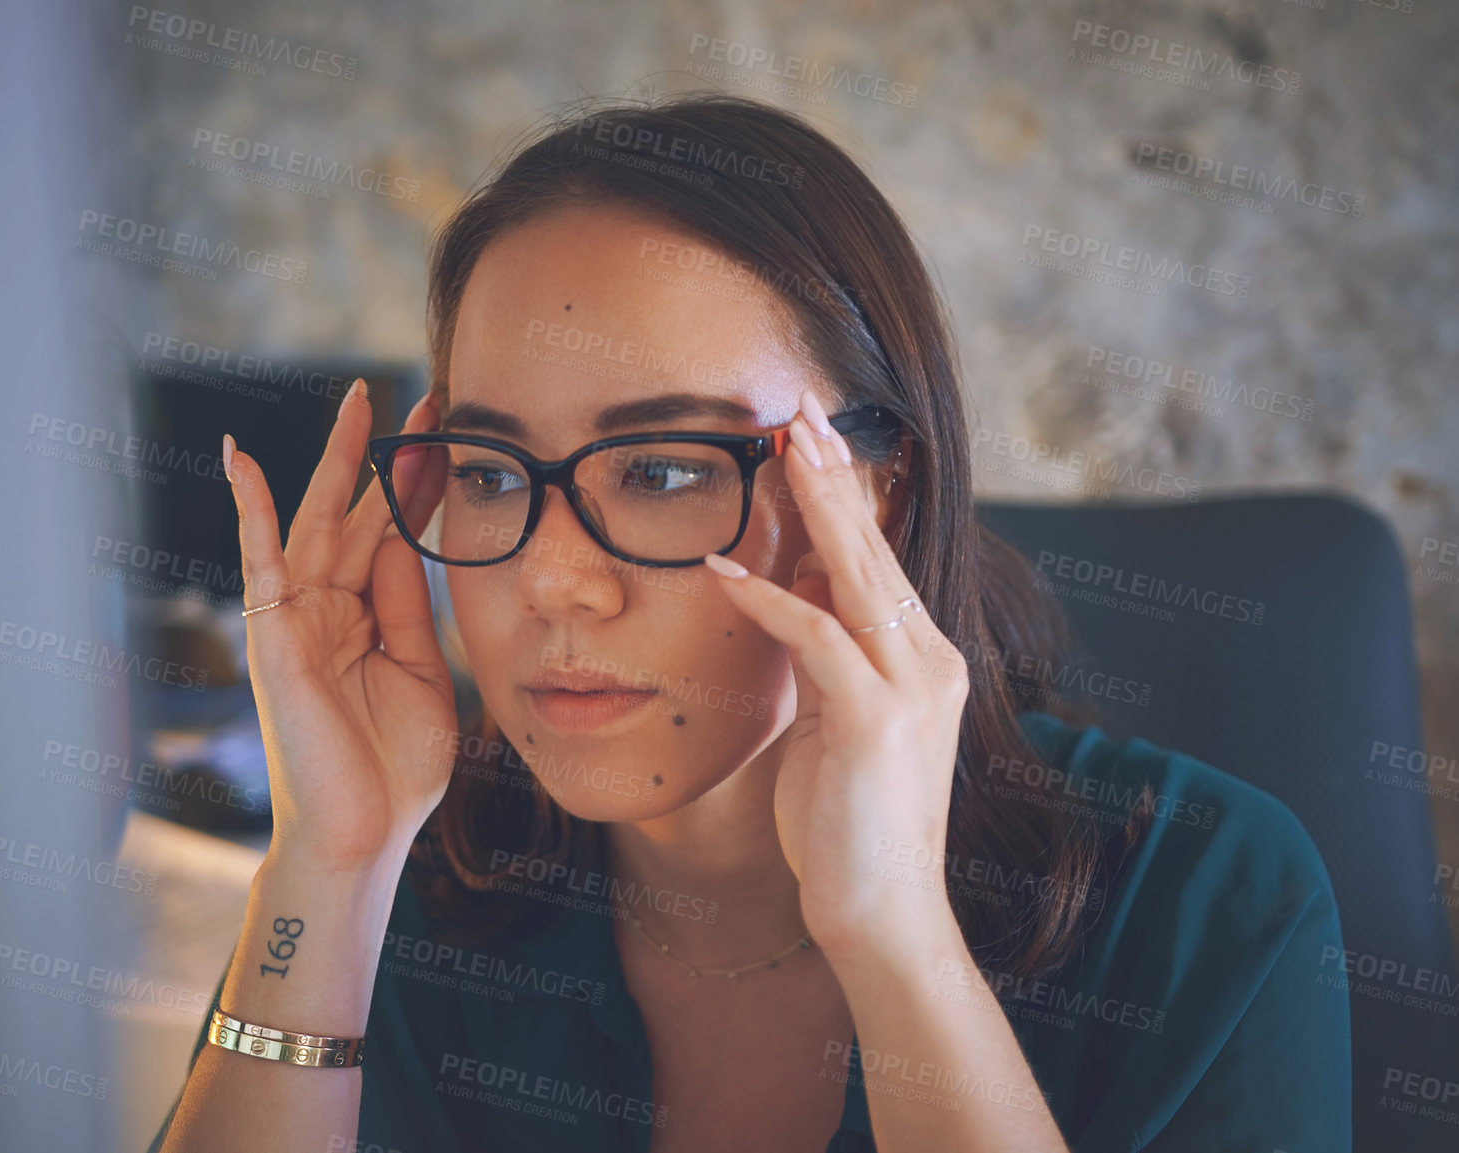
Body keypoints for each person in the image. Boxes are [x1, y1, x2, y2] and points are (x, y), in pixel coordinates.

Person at [150, 94, 1349, 1153]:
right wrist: (332, 863)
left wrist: (893, 934)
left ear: (880, 488)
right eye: (494, 471)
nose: (558, 583)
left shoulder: (1209, 901)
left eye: (665, 471)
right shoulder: (422, 886)